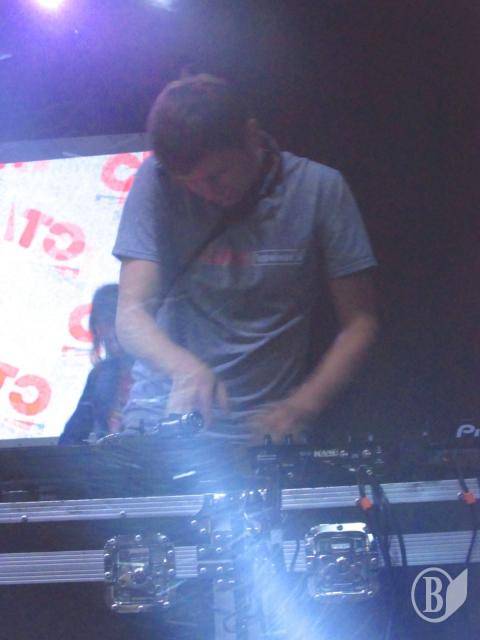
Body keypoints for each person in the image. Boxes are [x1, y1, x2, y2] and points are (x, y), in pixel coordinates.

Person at [113, 74, 378, 444]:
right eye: (187, 183)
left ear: (251, 136)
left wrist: (302, 405)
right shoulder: (155, 179)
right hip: (163, 420)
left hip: (264, 432)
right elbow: (131, 313)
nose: (204, 192)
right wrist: (185, 369)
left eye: (216, 176)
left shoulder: (319, 188)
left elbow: (360, 323)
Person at [58, 284, 133, 445]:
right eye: (101, 324)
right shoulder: (101, 375)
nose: (108, 332)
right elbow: (72, 435)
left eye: (113, 321)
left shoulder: (158, 370)